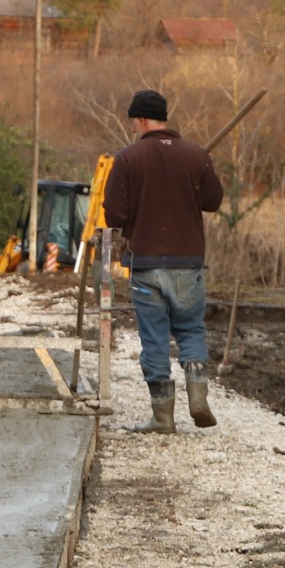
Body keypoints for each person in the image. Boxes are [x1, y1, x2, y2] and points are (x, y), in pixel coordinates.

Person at [102, 88, 225, 433]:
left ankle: (162, 417)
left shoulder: (128, 158)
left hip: (146, 263)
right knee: (190, 329)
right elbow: (213, 201)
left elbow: (114, 214)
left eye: (133, 121)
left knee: (154, 337)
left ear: (142, 119)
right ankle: (197, 395)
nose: (132, 127)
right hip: (188, 262)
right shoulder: (196, 155)